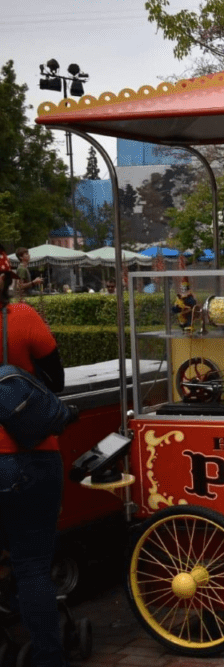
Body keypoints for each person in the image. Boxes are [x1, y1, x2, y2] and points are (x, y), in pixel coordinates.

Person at [0, 247, 66, 667]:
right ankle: (48, 657)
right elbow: (55, 379)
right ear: (7, 280)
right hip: (32, 454)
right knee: (32, 566)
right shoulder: (22, 318)